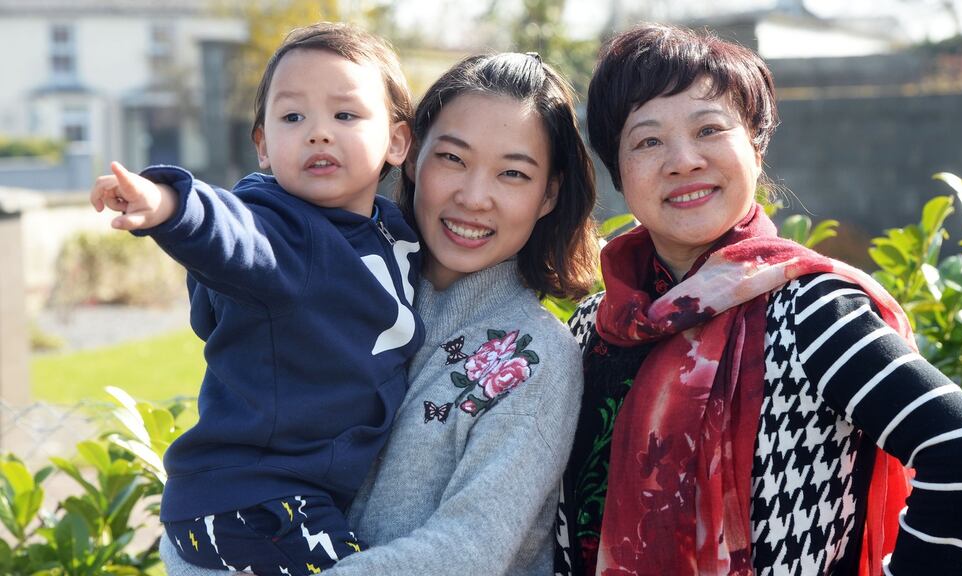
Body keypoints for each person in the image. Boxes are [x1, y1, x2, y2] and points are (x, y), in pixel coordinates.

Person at [555, 23, 962, 576]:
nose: (683, 160)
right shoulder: (594, 328)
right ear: (619, 173)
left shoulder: (811, 311)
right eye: (648, 140)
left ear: (755, 145)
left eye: (709, 129)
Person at [160, 51, 599, 575]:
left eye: (512, 173)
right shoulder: (324, 288)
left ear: (548, 194)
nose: (474, 197)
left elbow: (468, 552)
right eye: (452, 159)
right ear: (410, 155)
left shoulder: (536, 357)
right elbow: (236, 479)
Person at [91, 23, 423, 575]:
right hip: (252, 499)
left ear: (396, 140)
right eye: (293, 117)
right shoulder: (279, 231)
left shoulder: (392, 229)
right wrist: (170, 203)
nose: (318, 133)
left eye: (345, 115)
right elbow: (230, 235)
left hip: (296, 495)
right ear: (264, 146)